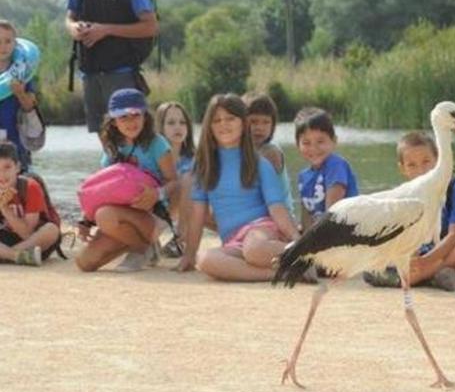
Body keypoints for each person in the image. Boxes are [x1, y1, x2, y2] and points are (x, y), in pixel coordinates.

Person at [177, 93, 299, 281]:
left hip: (261, 232)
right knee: (207, 260)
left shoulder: (260, 163)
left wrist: (296, 239)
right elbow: (197, 215)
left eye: (230, 119)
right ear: (209, 126)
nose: (223, 124)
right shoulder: (204, 166)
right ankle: (277, 274)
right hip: (233, 241)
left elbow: (277, 208)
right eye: (216, 120)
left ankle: (303, 256)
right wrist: (190, 254)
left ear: (243, 123)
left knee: (255, 250)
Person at [365, 131, 455, 290]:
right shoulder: (404, 195)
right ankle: (439, 275)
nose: (421, 170)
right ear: (403, 169)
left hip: (452, 250)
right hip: (421, 254)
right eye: (412, 165)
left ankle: (417, 277)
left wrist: (426, 262)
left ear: (438, 161)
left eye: (426, 161)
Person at [75, 88, 177, 272]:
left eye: (135, 115)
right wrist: (85, 220)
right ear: (113, 121)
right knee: (85, 262)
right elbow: (102, 189)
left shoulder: (157, 144)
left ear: (145, 116)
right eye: (123, 117)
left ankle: (142, 248)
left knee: (105, 215)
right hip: (119, 217)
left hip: (151, 215)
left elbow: (175, 182)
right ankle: (144, 246)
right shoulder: (112, 148)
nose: (131, 122)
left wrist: (157, 194)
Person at [65, 0, 158, 133]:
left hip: (121, 74)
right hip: (90, 73)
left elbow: (150, 26)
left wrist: (105, 30)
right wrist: (73, 28)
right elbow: (69, 17)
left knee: (132, 137)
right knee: (104, 137)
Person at [295, 107, 358, 231]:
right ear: (298, 145)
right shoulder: (303, 176)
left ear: (334, 141)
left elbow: (333, 211)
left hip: (343, 229)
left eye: (320, 141)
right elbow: (306, 216)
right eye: (306, 143)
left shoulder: (335, 165)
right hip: (321, 231)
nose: (314, 148)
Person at [0, 142, 60, 266]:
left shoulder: (30, 187)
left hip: (36, 241)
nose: (2, 174)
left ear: (17, 167)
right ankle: (17, 256)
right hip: (9, 239)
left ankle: (8, 255)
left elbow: (27, 233)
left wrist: (4, 207)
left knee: (52, 230)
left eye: (7, 167)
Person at [243, 92, 295, 217]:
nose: (259, 127)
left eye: (266, 122)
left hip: (278, 219)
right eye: (253, 121)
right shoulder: (242, 151)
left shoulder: (271, 152)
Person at [155, 101, 195, 257]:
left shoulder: (194, 158)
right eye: (171, 123)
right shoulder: (154, 158)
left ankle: (179, 240)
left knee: (189, 180)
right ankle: (153, 242)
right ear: (161, 127)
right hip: (158, 208)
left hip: (189, 208)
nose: (178, 127)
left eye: (182, 122)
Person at [0, 20, 38, 171]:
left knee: (17, 186)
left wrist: (20, 93)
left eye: (8, 41)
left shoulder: (23, 72)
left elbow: (30, 106)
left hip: (15, 143)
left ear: (15, 44)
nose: (3, 46)